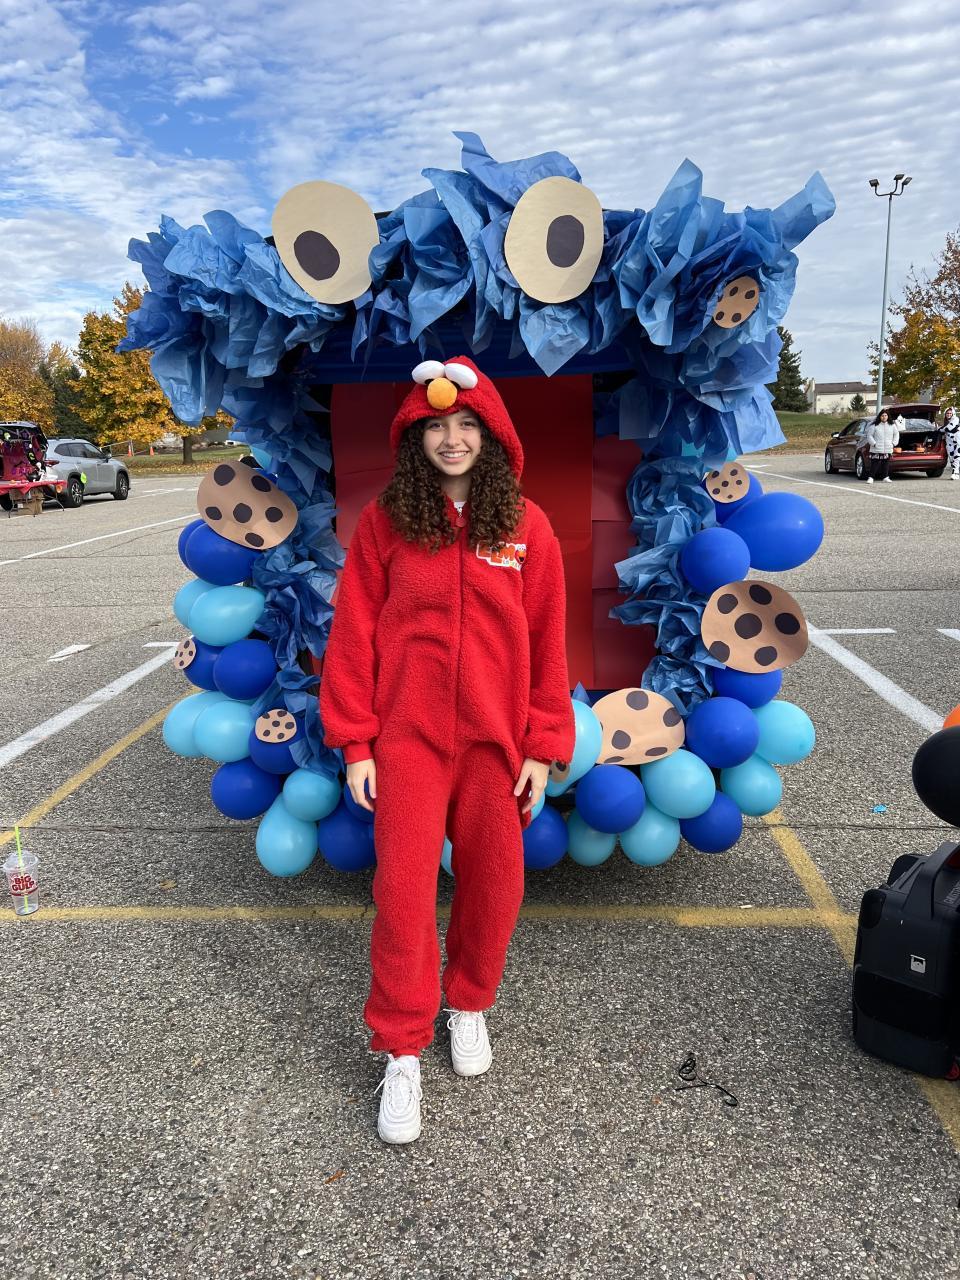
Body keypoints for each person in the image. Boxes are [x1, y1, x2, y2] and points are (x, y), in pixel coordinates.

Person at [319, 356, 575, 1144]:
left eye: (467, 424)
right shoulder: (385, 523)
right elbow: (353, 633)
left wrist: (542, 744)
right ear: (414, 437)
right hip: (408, 740)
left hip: (497, 744)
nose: (452, 438)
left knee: (496, 885)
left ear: (491, 434)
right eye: (436, 426)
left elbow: (548, 639)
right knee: (402, 893)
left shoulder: (526, 526)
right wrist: (356, 742)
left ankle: (468, 1003)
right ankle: (402, 1049)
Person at [863, 409, 899, 483]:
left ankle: (885, 477)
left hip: (888, 448)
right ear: (880, 416)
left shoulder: (892, 425)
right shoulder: (874, 425)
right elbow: (869, 435)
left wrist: (893, 443)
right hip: (876, 448)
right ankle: (871, 478)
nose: (884, 417)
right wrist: (874, 443)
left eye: (886, 415)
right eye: (882, 415)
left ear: (888, 417)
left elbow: (896, 434)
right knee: (874, 463)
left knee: (886, 463)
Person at [943, 406, 959, 480]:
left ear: (953, 414)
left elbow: (948, 428)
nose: (949, 414)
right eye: (947, 413)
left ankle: (954, 473)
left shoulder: (955, 419)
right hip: (949, 443)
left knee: (957, 457)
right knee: (951, 458)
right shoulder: (946, 422)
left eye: (950, 413)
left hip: (957, 442)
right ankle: (956, 473)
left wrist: (939, 430)